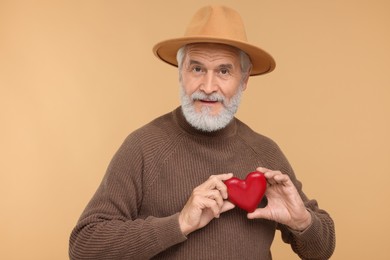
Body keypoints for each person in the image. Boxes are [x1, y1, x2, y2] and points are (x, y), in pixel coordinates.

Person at [69, 5, 335, 260]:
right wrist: (179, 223)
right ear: (181, 74)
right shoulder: (142, 146)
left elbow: (321, 250)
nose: (208, 87)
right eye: (197, 68)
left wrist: (301, 221)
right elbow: (84, 247)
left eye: (223, 71)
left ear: (244, 80)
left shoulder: (265, 152)